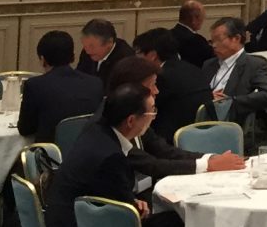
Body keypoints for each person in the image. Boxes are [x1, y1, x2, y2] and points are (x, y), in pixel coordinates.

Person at [46, 83, 186, 227]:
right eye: (151, 111)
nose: (154, 117)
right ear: (131, 120)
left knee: (168, 223)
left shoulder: (96, 133)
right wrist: (132, 207)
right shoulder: (110, 156)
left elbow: (108, 193)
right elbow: (126, 216)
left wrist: (131, 203)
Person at [104, 55, 247, 181]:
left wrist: (212, 158)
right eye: (152, 85)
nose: (156, 91)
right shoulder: (111, 122)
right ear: (130, 89)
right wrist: (209, 164)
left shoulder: (134, 114)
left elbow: (164, 150)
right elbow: (152, 165)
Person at [18, 29, 104, 142]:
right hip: (88, 149)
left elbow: (25, 129)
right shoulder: (95, 83)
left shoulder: (35, 85)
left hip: (51, 151)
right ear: (73, 56)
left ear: (43, 60)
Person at [129, 28, 212, 143]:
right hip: (204, 134)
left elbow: (144, 109)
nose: (136, 59)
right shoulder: (194, 69)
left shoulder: (161, 77)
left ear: (152, 55)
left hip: (170, 137)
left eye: (138, 53)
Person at [204, 16, 267, 133]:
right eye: (212, 41)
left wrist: (231, 101)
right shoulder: (209, 64)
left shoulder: (253, 64)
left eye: (218, 40)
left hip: (229, 122)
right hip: (203, 115)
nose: (214, 45)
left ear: (236, 38)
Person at [167, 0, 214, 68]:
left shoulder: (167, 35)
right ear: (194, 19)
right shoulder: (196, 40)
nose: (203, 20)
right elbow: (212, 59)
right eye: (202, 17)